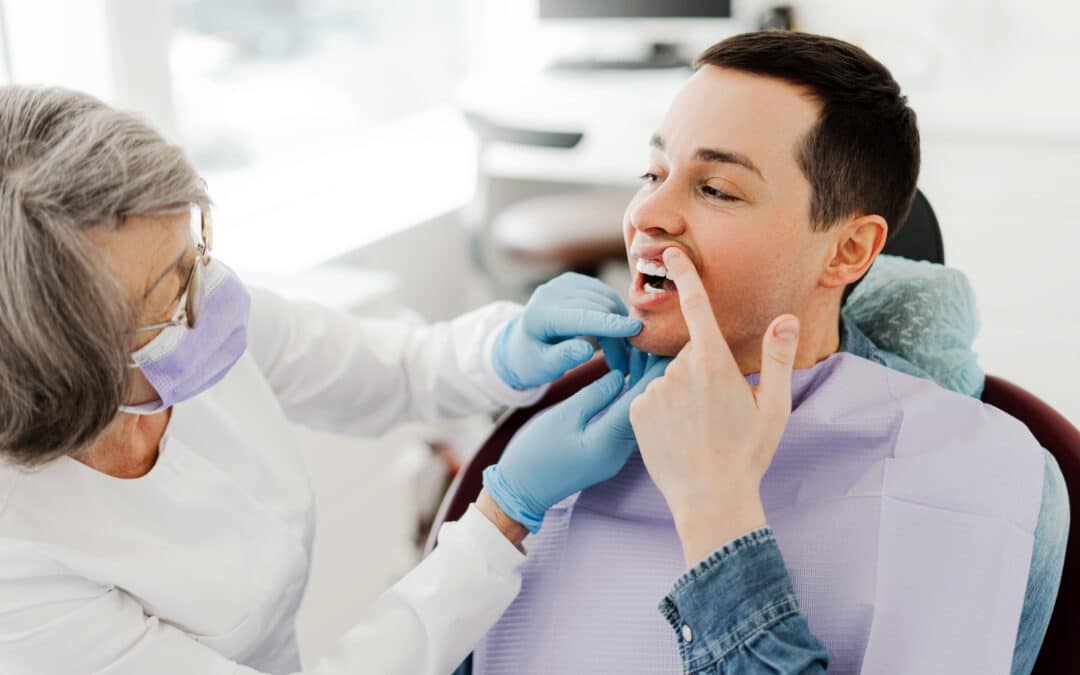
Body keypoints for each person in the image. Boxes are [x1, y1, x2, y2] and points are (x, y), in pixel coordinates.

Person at [0, 84, 671, 674]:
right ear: (72, 375)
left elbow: (390, 367)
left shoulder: (195, 311)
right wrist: (503, 515)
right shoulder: (22, 571)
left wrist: (503, 348)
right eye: (169, 293)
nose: (211, 291)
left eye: (195, 249)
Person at [468, 31, 1069, 674]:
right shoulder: (565, 439)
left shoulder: (968, 470)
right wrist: (503, 511)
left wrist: (717, 515)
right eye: (654, 173)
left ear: (847, 251)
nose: (648, 212)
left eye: (717, 189)